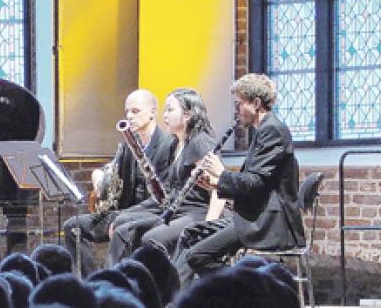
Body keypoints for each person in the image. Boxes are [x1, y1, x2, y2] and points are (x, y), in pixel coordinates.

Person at [175, 73, 304, 286]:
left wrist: (221, 173)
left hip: (266, 222)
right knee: (191, 235)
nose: (236, 109)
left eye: (240, 103)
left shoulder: (273, 131)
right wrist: (216, 184)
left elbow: (255, 182)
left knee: (199, 256)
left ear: (256, 103)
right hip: (253, 215)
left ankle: (250, 290)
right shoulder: (263, 131)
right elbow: (255, 184)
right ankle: (178, 299)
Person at [106, 88, 225, 264]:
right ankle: (119, 277)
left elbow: (219, 187)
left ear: (187, 115)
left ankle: (159, 279)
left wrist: (209, 224)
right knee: (123, 230)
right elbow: (166, 190)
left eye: (170, 110)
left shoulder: (200, 142)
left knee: (151, 238)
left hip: (197, 211)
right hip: (175, 209)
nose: (164, 116)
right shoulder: (173, 143)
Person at [61, 89, 171, 276]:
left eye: (135, 111)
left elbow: (163, 199)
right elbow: (113, 170)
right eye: (127, 112)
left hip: (152, 212)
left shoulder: (166, 145)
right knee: (73, 226)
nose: (129, 116)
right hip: (125, 211)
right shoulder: (130, 143)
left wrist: (124, 215)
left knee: (121, 222)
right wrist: (98, 175)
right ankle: (90, 281)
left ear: (152, 112)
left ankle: (111, 280)